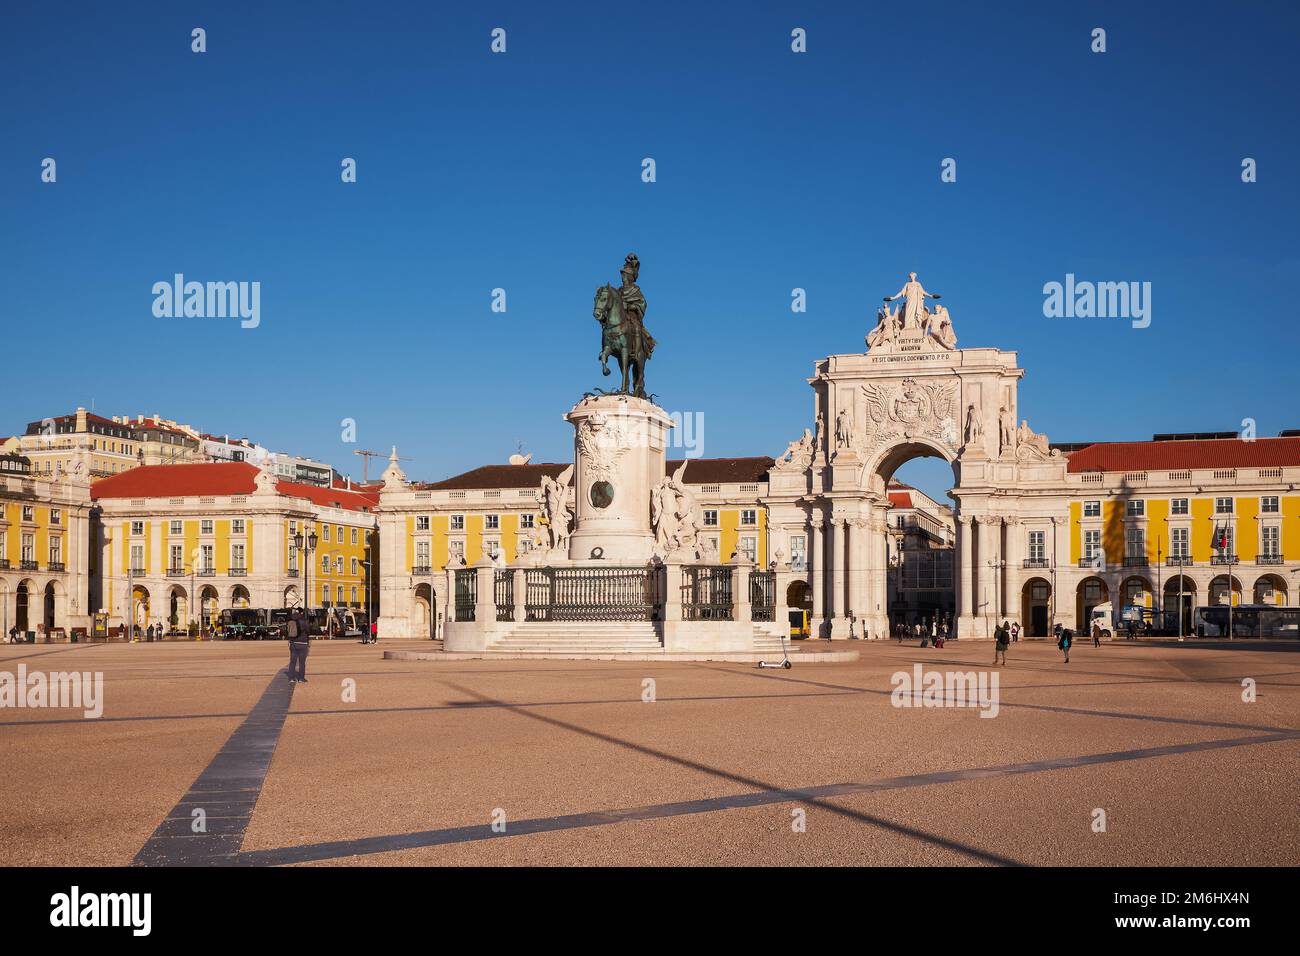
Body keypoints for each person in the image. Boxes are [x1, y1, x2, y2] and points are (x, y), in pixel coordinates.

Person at [287, 609, 310, 683]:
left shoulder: (290, 620)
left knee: (292, 662)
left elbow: (288, 631)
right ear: (302, 612)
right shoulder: (304, 620)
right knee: (302, 662)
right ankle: (301, 678)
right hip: (303, 643)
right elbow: (308, 630)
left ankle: (291, 678)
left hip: (293, 642)